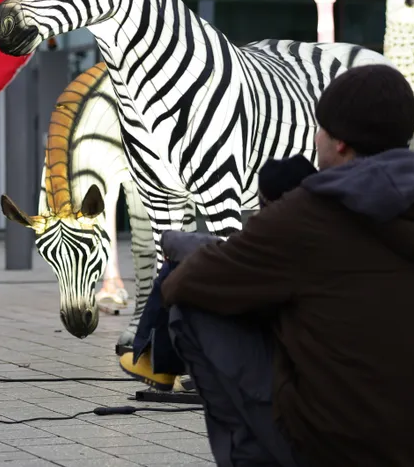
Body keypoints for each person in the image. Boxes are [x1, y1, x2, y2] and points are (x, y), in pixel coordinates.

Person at [151, 65, 414, 467]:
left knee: (189, 302)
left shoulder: (314, 210)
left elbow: (191, 282)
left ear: (340, 144)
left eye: (319, 128)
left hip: (335, 447)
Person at [120, 155, 318, 390]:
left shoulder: (270, 243)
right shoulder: (329, 231)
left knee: (177, 276)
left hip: (280, 367)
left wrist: (170, 243)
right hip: (323, 358)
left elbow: (216, 257)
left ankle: (158, 363)